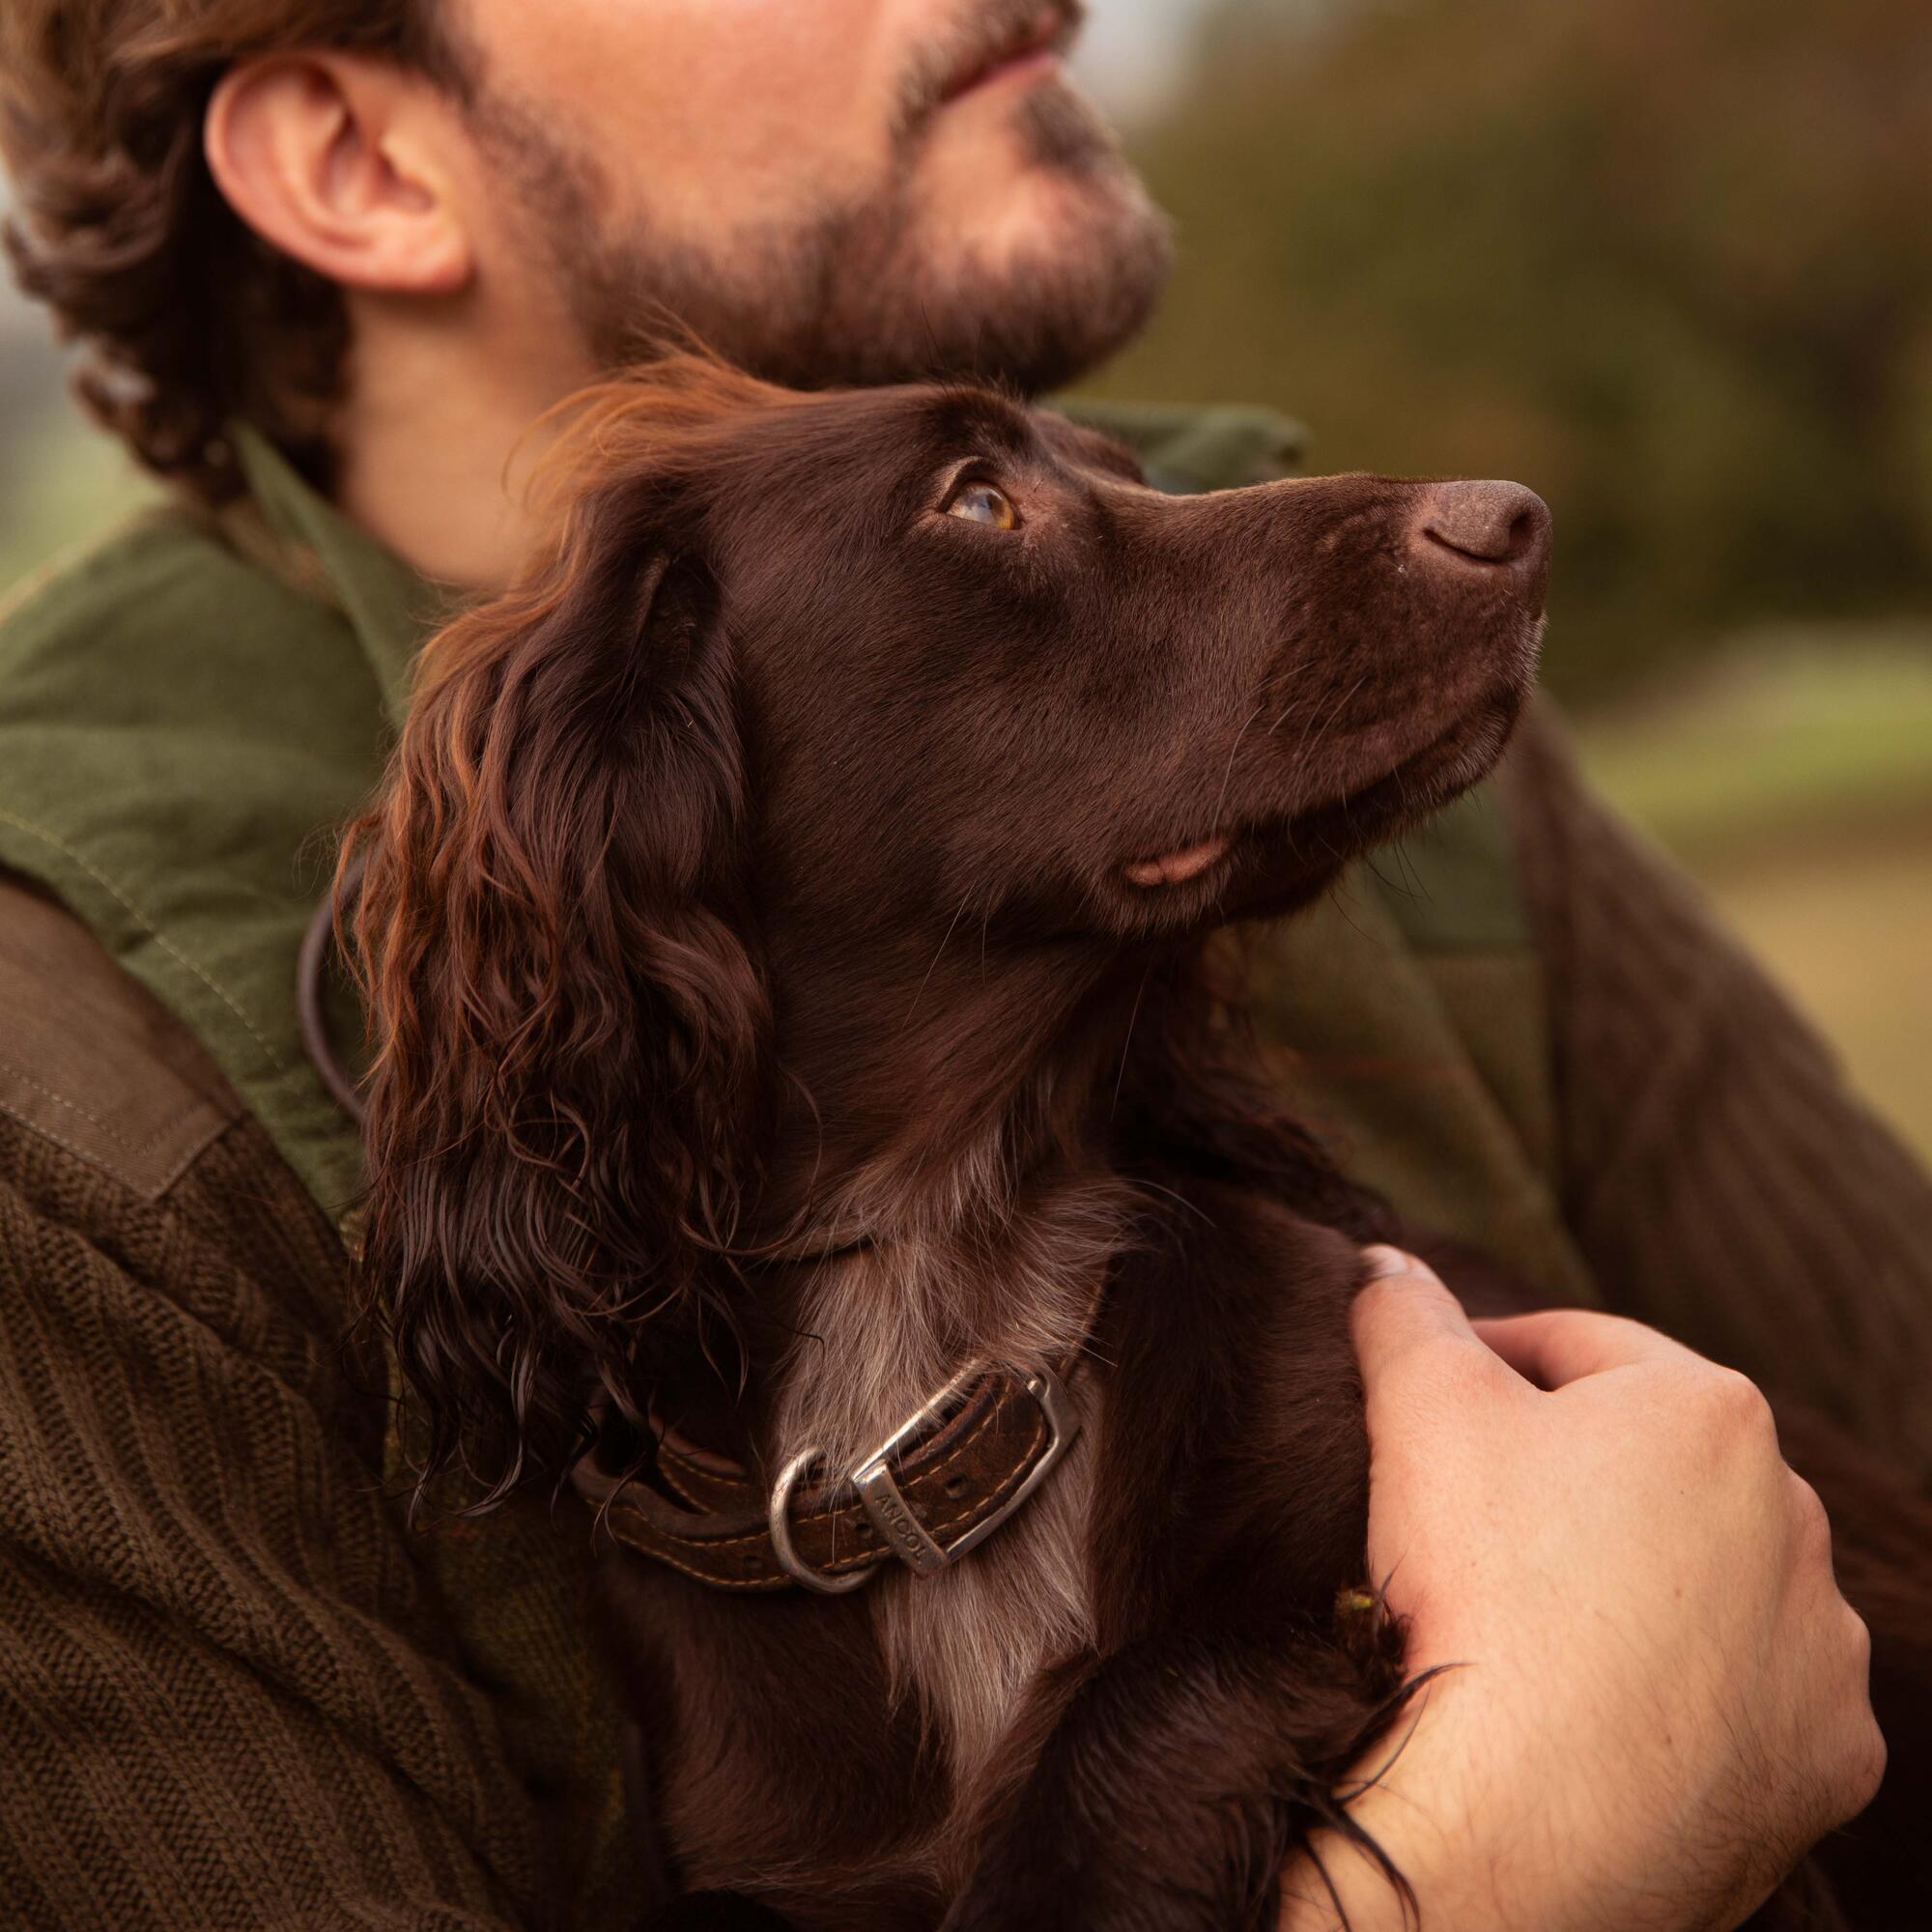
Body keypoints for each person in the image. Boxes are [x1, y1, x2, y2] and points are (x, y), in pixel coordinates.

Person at [0, 3, 1914, 1925]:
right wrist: (1508, 1865)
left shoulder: (1304, 681)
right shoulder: (59, 1105)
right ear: (359, 157)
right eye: (996, 510)